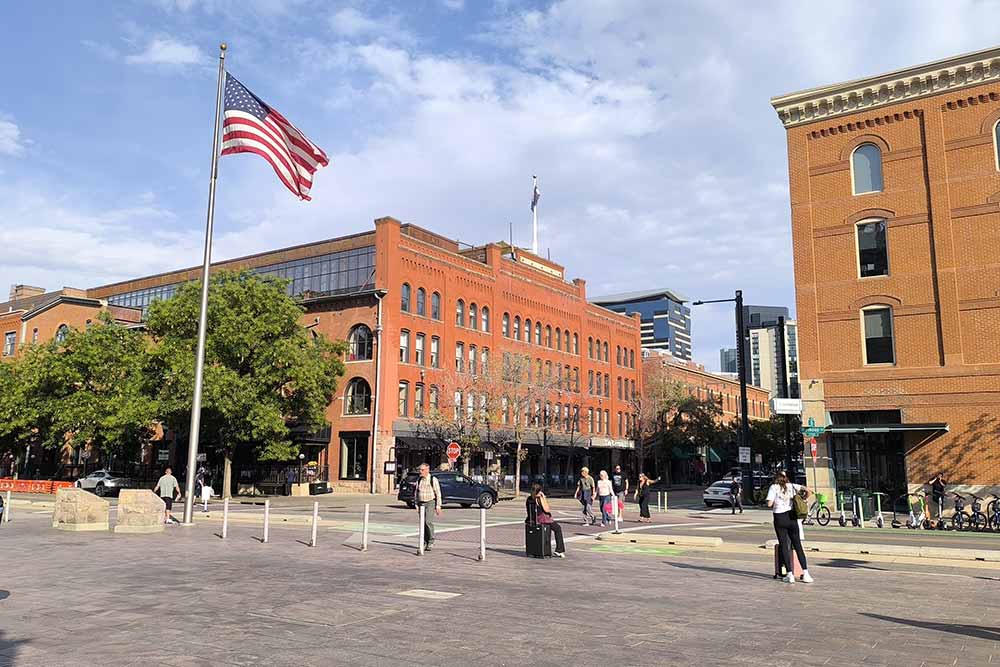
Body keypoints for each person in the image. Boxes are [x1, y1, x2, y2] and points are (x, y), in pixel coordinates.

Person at [767, 471, 813, 584]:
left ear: (776, 478)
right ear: (785, 478)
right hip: (792, 517)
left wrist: (776, 502)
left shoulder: (773, 487)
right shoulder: (792, 486)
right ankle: (806, 573)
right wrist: (804, 498)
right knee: (798, 545)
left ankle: (789, 574)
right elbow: (808, 491)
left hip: (779, 518)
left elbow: (769, 503)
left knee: (784, 546)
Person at [527, 483, 565, 558]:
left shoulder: (529, 499)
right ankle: (559, 550)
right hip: (542, 519)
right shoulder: (539, 498)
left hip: (533, 519)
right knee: (558, 528)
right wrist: (543, 498)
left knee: (553, 528)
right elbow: (547, 509)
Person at [413, 463, 442, 553]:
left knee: (428, 521)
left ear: (427, 470)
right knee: (422, 523)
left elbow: (438, 493)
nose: (420, 472)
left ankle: (431, 541)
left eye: (422, 470)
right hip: (421, 503)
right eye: (419, 470)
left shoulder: (433, 480)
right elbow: (416, 493)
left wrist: (438, 506)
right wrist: (416, 504)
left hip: (430, 502)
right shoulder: (419, 480)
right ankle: (424, 541)